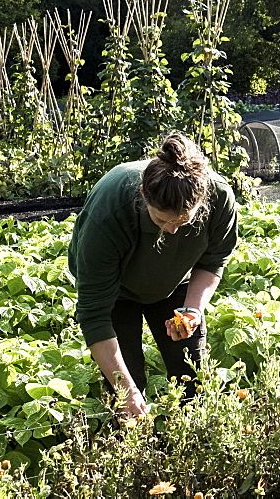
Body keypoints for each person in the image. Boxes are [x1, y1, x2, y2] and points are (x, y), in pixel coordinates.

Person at [69, 133, 239, 417]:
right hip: (116, 293)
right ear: (143, 196)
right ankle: (130, 449)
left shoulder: (219, 197)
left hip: (176, 283)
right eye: (161, 220)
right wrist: (127, 391)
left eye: (184, 222)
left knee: (192, 373)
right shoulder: (110, 211)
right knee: (125, 387)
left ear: (202, 202)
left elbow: (213, 260)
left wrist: (193, 309)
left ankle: (190, 442)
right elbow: (94, 314)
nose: (172, 230)